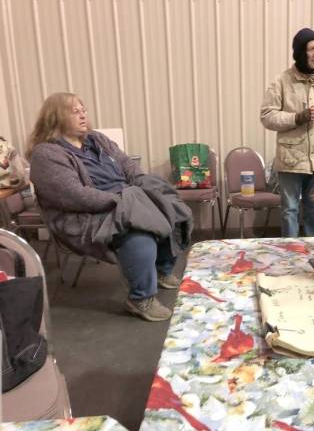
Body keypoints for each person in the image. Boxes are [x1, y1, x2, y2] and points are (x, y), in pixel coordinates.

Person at [27, 93, 193, 322]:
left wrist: (144, 185)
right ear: (55, 117)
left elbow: (127, 165)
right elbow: (75, 196)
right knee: (139, 232)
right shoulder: (46, 154)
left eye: (83, 109)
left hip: (126, 197)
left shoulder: (97, 139)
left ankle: (162, 268)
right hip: (88, 212)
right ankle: (140, 298)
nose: (83, 114)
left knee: (174, 208)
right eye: (74, 111)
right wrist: (121, 202)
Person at [260, 28, 314, 237]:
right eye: (311, 49)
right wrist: (296, 117)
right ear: (300, 52)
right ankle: (289, 253)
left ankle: (313, 252)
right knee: (289, 211)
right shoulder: (281, 82)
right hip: (291, 160)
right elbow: (267, 116)